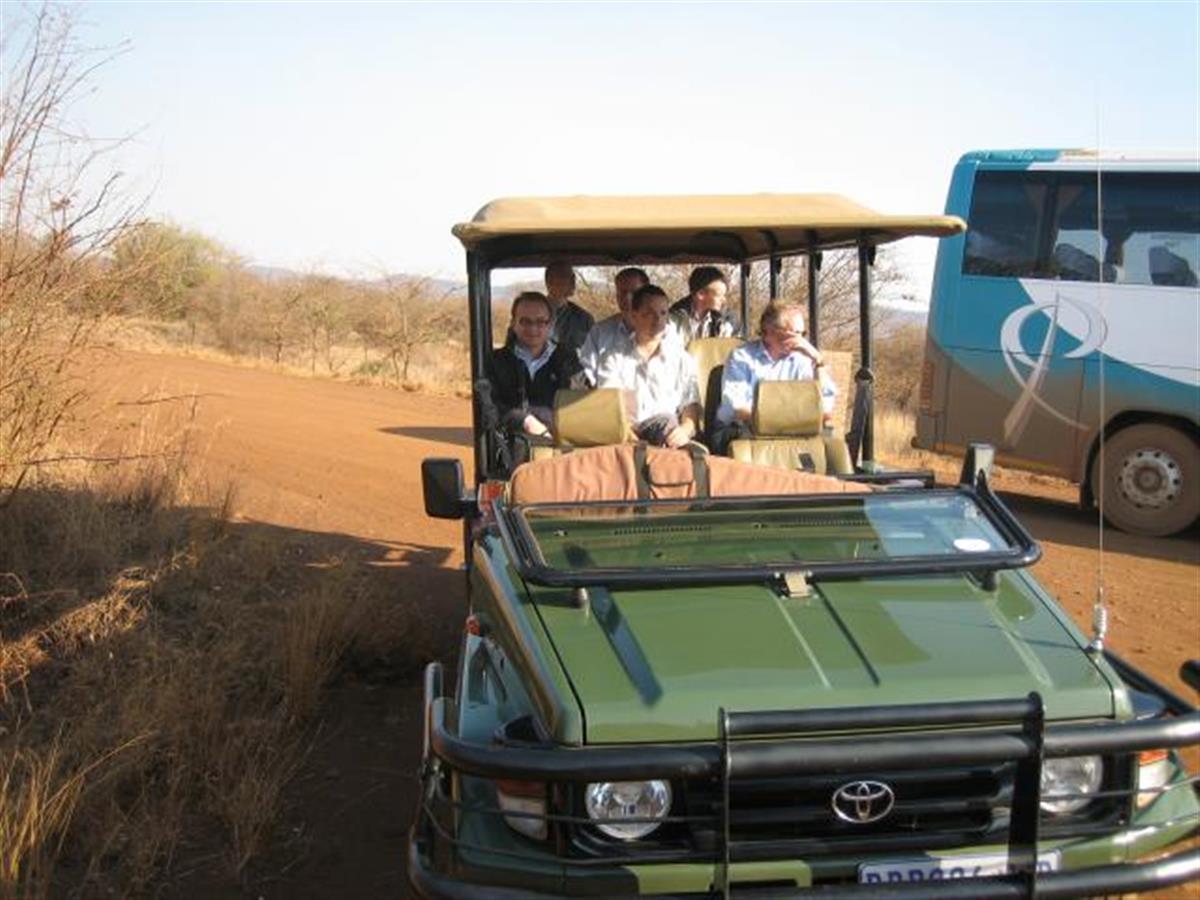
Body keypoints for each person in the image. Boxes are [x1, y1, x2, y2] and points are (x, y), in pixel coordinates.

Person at [713, 302, 836, 453]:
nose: (799, 341)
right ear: (768, 332)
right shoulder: (741, 357)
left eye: (802, 334)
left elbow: (824, 407)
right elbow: (736, 407)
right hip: (742, 430)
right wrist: (781, 420)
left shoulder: (803, 359)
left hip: (792, 432)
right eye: (793, 334)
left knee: (829, 447)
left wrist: (818, 361)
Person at [595, 284, 701, 448]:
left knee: (668, 423)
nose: (657, 320)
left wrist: (685, 430)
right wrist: (631, 439)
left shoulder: (682, 359)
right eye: (649, 314)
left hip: (669, 436)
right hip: (627, 435)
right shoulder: (613, 358)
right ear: (634, 316)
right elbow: (610, 407)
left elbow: (690, 405)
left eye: (663, 313)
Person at [485, 291, 582, 442]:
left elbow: (579, 404)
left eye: (540, 322)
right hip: (509, 447)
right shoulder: (496, 361)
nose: (533, 329)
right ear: (513, 323)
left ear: (551, 324)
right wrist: (524, 420)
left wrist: (554, 416)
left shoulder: (569, 360)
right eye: (525, 321)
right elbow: (489, 406)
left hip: (560, 446)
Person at [578, 267, 649, 386]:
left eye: (634, 292)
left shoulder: (664, 332)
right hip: (606, 397)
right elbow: (586, 374)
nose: (627, 298)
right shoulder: (600, 331)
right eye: (622, 292)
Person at [668, 266, 738, 342]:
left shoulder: (726, 320)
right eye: (719, 295)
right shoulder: (673, 319)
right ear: (700, 294)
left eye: (724, 295)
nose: (724, 300)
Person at [544, 262, 595, 355]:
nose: (573, 282)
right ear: (549, 282)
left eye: (573, 277)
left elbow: (593, 353)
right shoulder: (530, 315)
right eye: (564, 276)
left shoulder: (584, 319)